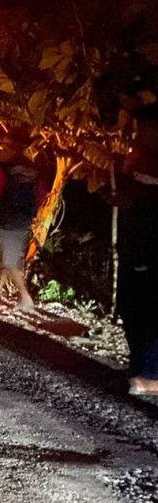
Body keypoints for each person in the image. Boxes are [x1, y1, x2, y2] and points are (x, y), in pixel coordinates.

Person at [107, 102, 158, 395]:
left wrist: (134, 206)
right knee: (130, 306)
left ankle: (151, 373)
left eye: (143, 131)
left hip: (151, 251)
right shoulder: (137, 161)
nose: (136, 137)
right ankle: (139, 365)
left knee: (150, 312)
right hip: (133, 247)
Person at [0, 133, 44, 313]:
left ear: (10, 149)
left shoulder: (3, 169)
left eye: (3, 148)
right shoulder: (31, 169)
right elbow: (41, 194)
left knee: (10, 262)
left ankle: (25, 298)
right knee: (7, 256)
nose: (0, 151)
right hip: (24, 220)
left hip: (7, 219)